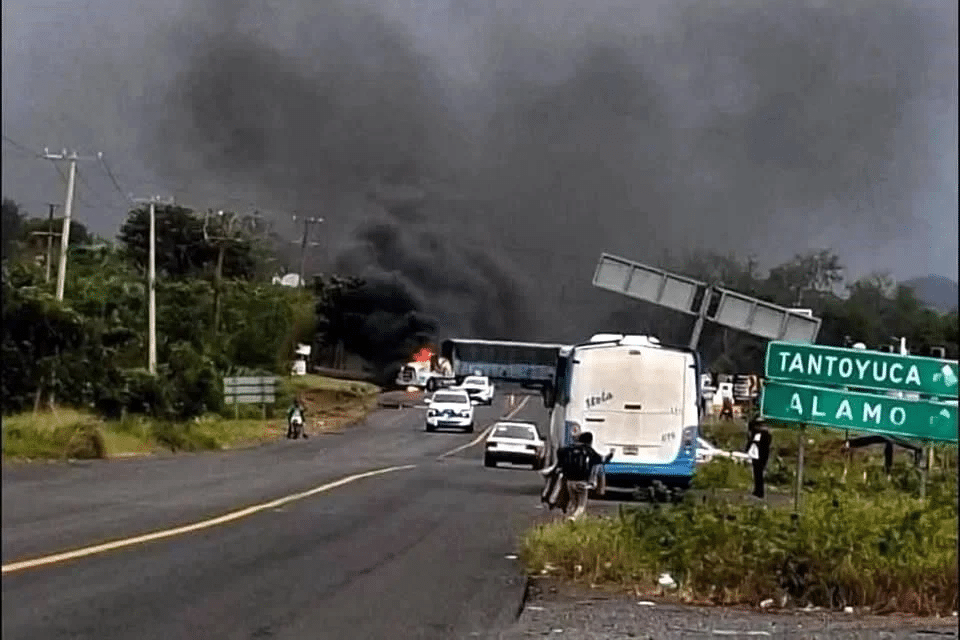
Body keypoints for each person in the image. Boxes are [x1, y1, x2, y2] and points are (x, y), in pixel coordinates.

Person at [557, 431, 614, 521]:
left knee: (573, 503)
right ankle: (573, 519)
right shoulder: (589, 450)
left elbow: (560, 453)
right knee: (581, 505)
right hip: (582, 482)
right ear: (590, 441)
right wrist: (611, 454)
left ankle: (568, 518)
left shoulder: (569, 449)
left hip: (569, 481)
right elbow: (602, 459)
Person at [746, 417, 772, 498]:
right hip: (757, 455)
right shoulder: (757, 433)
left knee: (759, 474)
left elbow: (762, 445)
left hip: (761, 456)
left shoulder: (763, 434)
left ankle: (760, 491)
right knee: (757, 474)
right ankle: (757, 490)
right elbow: (751, 443)